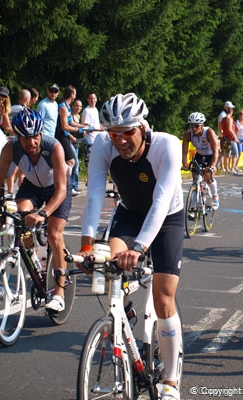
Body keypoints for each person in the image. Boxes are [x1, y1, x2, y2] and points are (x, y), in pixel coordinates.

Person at [80, 93, 184, 400]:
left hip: (167, 217)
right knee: (109, 265)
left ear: (142, 127)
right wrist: (86, 246)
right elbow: (94, 194)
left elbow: (162, 201)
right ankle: (122, 316)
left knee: (163, 297)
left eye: (127, 132)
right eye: (114, 134)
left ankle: (171, 380)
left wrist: (138, 248)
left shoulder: (167, 144)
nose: (120, 141)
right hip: (129, 213)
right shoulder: (103, 145)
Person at [0, 108, 71, 312]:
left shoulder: (53, 147)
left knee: (54, 234)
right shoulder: (10, 148)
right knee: (20, 216)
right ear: (18, 137)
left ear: (41, 134)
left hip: (57, 188)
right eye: (26, 138)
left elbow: (61, 190)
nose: (32, 142)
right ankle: (33, 257)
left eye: (36, 136)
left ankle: (59, 294)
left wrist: (43, 214)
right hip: (32, 186)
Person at [182, 112, 220, 211]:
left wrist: (212, 166)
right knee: (196, 179)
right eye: (191, 126)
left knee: (207, 176)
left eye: (196, 126)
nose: (193, 129)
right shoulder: (188, 134)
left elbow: (216, 151)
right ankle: (193, 207)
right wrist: (184, 164)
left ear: (202, 125)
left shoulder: (209, 132)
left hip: (212, 155)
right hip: (200, 155)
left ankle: (215, 196)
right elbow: (184, 152)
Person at [56, 85, 87, 196]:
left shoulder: (67, 106)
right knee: (71, 161)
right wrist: (78, 130)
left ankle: (65, 186)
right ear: (72, 94)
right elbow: (65, 126)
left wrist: (84, 126)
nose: (75, 95)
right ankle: (66, 186)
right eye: (75, 93)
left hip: (64, 136)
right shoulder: (63, 107)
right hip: (60, 136)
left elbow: (71, 122)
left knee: (67, 162)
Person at [81, 92, 104, 178]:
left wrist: (102, 128)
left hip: (97, 139)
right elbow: (86, 127)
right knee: (89, 161)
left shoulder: (95, 110)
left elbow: (96, 124)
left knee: (97, 161)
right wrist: (98, 129)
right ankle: (90, 179)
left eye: (94, 98)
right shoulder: (87, 111)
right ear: (87, 100)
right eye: (90, 98)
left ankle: (95, 178)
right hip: (89, 140)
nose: (92, 100)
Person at [218, 101, 237, 173]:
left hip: (224, 136)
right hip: (226, 137)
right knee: (226, 152)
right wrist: (223, 135)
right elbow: (224, 127)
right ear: (226, 108)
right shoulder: (224, 115)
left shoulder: (224, 115)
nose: (231, 110)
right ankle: (224, 167)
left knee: (226, 152)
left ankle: (226, 168)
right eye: (230, 108)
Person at [70, 99, 84, 194]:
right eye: (76, 105)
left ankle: (75, 185)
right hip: (70, 141)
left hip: (77, 143)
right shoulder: (70, 116)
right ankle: (72, 185)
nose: (78, 108)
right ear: (73, 106)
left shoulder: (78, 116)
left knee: (75, 163)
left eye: (80, 106)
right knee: (75, 163)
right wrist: (72, 138)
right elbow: (66, 130)